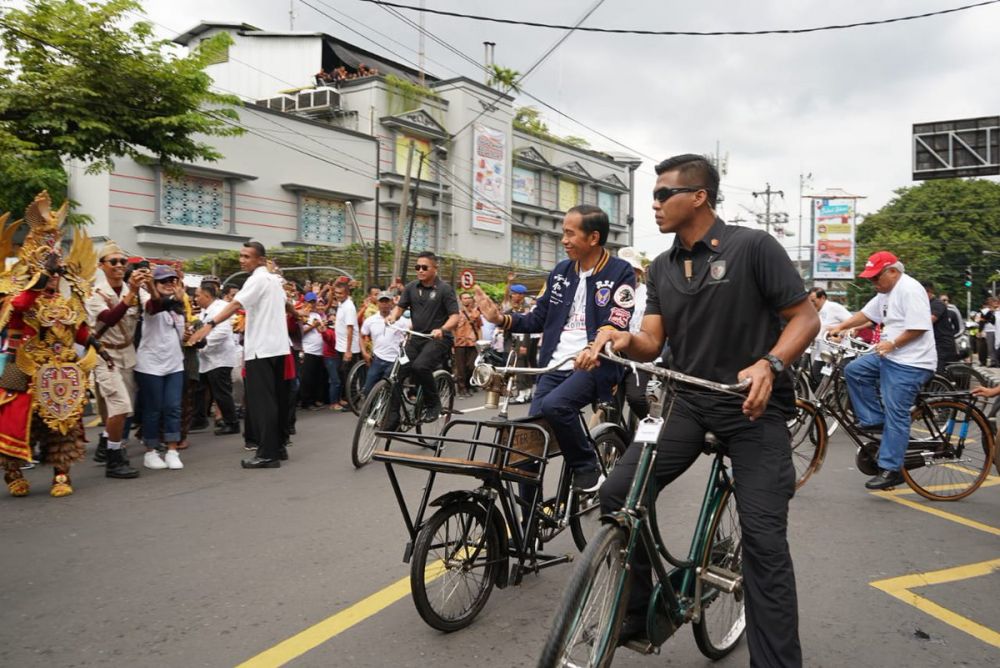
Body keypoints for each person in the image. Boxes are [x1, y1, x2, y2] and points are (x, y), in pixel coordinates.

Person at [581, 154, 818, 665]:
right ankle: (638, 608)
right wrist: (619, 339)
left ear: (699, 197)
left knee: (763, 543)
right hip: (689, 406)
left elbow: (805, 318)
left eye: (664, 193)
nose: (655, 203)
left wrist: (770, 363)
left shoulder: (753, 247)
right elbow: (651, 341)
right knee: (620, 494)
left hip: (754, 412)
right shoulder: (664, 266)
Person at [476, 204, 637, 492]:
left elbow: (618, 319)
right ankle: (530, 530)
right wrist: (500, 319)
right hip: (552, 366)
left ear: (593, 238)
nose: (563, 240)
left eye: (569, 233)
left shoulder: (620, 271)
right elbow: (538, 318)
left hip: (594, 363)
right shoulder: (561, 271)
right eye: (563, 233)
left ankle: (587, 468)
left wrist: (594, 347)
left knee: (555, 406)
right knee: (526, 449)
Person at [0, 193, 117, 496]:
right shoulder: (19, 295)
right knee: (15, 423)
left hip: (63, 372)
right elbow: (22, 307)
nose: (53, 279)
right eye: (48, 272)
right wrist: (43, 276)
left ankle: (61, 474)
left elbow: (79, 331)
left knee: (66, 424)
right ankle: (12, 472)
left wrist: (100, 351)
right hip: (26, 370)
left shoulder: (65, 302)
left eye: (55, 273)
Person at [828, 251, 936, 489]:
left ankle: (891, 469)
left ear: (893, 272)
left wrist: (892, 343)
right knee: (854, 370)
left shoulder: (910, 289)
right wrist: (841, 325)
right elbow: (866, 315)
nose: (874, 283)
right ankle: (874, 420)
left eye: (877, 278)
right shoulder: (885, 293)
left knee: (895, 410)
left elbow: (920, 327)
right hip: (889, 356)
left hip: (911, 362)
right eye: (871, 279)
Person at [190, 241, 290, 469]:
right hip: (277, 348)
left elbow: (236, 304)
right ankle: (278, 447)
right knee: (275, 402)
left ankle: (267, 454)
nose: (242, 260)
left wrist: (209, 325)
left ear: (261, 260)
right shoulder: (274, 281)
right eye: (241, 256)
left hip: (262, 350)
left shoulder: (257, 279)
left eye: (247, 256)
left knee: (262, 405)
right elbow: (286, 305)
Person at [84, 241, 145, 479]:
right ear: (102, 266)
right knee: (120, 407)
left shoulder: (134, 289)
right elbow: (109, 318)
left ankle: (105, 443)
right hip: (105, 355)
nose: (119, 266)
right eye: (114, 262)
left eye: (123, 262)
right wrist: (131, 293)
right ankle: (114, 457)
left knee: (123, 411)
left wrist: (149, 284)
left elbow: (154, 305)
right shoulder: (95, 294)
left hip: (127, 353)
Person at [385, 251, 460, 424]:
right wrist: (393, 317)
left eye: (424, 267)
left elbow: (455, 316)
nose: (420, 270)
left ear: (435, 268)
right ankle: (393, 416)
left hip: (438, 340)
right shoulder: (411, 287)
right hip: (416, 339)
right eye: (417, 267)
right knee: (394, 373)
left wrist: (442, 328)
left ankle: (434, 404)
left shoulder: (445, 290)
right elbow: (400, 307)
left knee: (420, 366)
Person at [134, 265, 187, 471]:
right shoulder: (149, 303)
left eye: (172, 281)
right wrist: (172, 298)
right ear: (154, 285)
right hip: (150, 365)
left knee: (173, 407)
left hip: (174, 363)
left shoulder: (178, 309)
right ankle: (151, 451)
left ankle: (173, 450)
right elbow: (156, 304)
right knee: (153, 410)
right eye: (163, 281)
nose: (168, 284)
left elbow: (182, 336)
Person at [195, 283, 240, 435]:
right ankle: (199, 420)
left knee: (221, 393)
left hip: (219, 358)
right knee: (201, 390)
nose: (196, 299)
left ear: (207, 296)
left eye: (198, 295)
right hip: (207, 359)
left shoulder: (220, 307)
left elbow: (221, 332)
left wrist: (203, 345)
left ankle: (232, 423)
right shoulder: (204, 311)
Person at [360, 292, 410, 394]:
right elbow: (361, 335)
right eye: (382, 302)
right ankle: (372, 409)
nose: (384, 304)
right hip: (378, 359)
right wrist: (364, 352)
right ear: (377, 303)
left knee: (390, 389)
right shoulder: (370, 320)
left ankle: (391, 409)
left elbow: (409, 334)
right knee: (368, 389)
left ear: (392, 303)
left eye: (387, 301)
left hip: (395, 360)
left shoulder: (401, 320)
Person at [807, 287, 853, 384]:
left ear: (822, 298)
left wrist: (840, 335)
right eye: (809, 301)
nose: (811, 304)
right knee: (815, 379)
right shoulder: (814, 312)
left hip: (839, 354)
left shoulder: (833, 307)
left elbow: (852, 323)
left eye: (813, 300)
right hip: (822, 354)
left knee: (839, 384)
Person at [329, 282, 360, 411]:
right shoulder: (341, 304)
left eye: (341, 293)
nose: (338, 295)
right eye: (336, 293)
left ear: (347, 293)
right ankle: (347, 400)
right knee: (343, 375)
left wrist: (348, 351)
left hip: (349, 349)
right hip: (340, 347)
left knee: (350, 378)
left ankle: (352, 404)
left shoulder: (349, 307)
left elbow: (350, 329)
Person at [298, 292, 327, 409]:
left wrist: (322, 327)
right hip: (308, 350)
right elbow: (300, 332)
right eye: (310, 302)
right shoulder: (301, 315)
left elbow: (320, 330)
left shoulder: (317, 315)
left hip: (319, 351)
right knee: (307, 378)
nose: (312, 304)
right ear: (305, 302)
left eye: (313, 302)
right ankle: (306, 402)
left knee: (317, 377)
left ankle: (315, 400)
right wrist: (313, 326)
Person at [923, 281, 959, 372]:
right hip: (932, 343)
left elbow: (930, 320)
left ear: (929, 291)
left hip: (942, 343)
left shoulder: (937, 304)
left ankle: (943, 385)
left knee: (938, 371)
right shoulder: (926, 304)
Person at [453, 291, 481, 398]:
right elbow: (452, 329)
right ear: (460, 300)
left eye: (469, 297)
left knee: (471, 365)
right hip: (459, 342)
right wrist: (453, 341)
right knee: (461, 367)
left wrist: (480, 342)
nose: (467, 299)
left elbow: (479, 328)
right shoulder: (456, 313)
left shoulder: (476, 313)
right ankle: (462, 388)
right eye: (464, 298)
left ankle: (469, 385)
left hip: (472, 342)